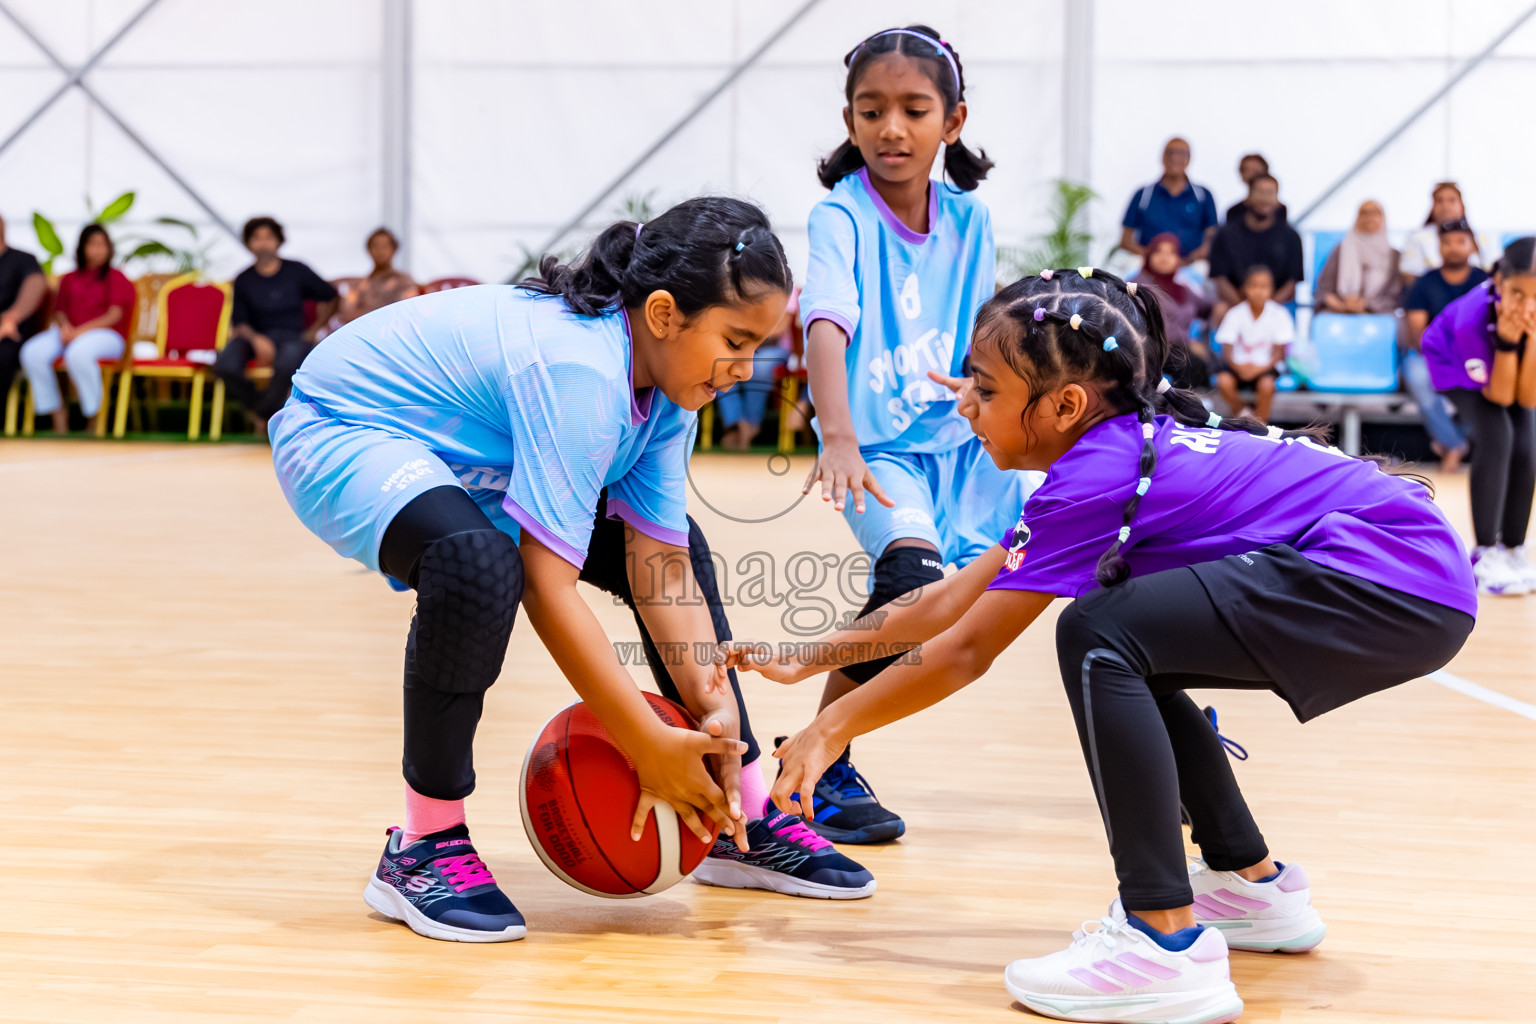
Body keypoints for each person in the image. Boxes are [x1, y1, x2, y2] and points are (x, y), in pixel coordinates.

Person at [720, 266, 1475, 1023]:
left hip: (1383, 573)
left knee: (1096, 630)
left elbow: (964, 651)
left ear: (1064, 406)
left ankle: (1161, 942)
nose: (966, 406)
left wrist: (829, 729)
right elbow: (951, 601)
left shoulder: (1096, 476)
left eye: (985, 389)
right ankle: (1251, 883)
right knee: (1131, 638)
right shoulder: (1115, 457)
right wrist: (811, 657)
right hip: (1413, 575)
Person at [268, 197, 876, 942]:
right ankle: (422, 846)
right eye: (736, 340)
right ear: (662, 314)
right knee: (476, 563)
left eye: (759, 345)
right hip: (345, 427)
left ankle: (736, 811)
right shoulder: (580, 368)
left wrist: (713, 713)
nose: (746, 369)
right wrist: (645, 741)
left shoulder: (669, 389)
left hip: (469, 461)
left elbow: (660, 561)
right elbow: (545, 585)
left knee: (681, 541)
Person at [800, 24, 1040, 844]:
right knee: (910, 582)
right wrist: (837, 436)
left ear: (954, 121)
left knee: (1076, 573)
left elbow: (985, 326)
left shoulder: (971, 219)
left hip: (971, 450)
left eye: (912, 109)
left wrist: (989, 394)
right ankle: (819, 767)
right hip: (880, 453)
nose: (890, 128)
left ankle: (1178, 740)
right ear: (850, 119)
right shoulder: (840, 219)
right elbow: (825, 323)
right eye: (871, 111)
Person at [1421, 236, 1536, 596]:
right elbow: (1500, 397)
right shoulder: (1471, 320)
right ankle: (1484, 553)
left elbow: (1527, 396)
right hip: (1453, 362)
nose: (1527, 305)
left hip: (1509, 365)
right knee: (1497, 433)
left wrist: (1531, 341)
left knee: (1528, 444)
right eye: (1517, 293)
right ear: (1500, 281)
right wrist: (1505, 341)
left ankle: (1514, 549)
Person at [213, 216, 338, 435]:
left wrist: (315, 329)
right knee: (224, 365)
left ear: (278, 241)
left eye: (268, 238)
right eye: (257, 238)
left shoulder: (297, 270)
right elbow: (239, 322)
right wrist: (256, 340)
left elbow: (331, 296)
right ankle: (265, 409)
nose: (263, 244)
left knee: (287, 365)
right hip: (254, 337)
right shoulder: (244, 279)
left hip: (293, 336)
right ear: (249, 243)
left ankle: (262, 413)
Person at [18, 224, 135, 435]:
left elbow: (114, 315)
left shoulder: (116, 277)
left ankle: (94, 416)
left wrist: (80, 332)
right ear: (82, 247)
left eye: (103, 244)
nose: (98, 250)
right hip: (69, 333)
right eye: (93, 244)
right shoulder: (69, 278)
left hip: (107, 336)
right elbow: (59, 311)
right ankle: (57, 415)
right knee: (32, 352)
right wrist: (65, 328)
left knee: (78, 353)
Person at [1404, 218, 1488, 471]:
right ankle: (1453, 443)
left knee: (1494, 383)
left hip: (1477, 355)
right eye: (1447, 242)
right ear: (1439, 248)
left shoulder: (1486, 281)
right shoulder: (1424, 282)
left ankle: (1454, 441)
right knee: (1415, 374)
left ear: (1472, 246)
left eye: (1460, 242)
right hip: (1433, 354)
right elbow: (1418, 333)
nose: (1453, 247)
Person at [1208, 173, 1304, 328]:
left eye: (1270, 193)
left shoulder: (1291, 237)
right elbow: (1220, 280)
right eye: (1260, 193)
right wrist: (1244, 310)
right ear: (1248, 197)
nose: (1265, 199)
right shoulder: (1225, 234)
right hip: (1234, 305)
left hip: (1275, 306)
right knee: (1220, 310)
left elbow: (1291, 285)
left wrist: (1263, 310)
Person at [715, 290, 795, 450]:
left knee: (760, 367)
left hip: (776, 348)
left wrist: (749, 332)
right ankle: (736, 423)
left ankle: (751, 423)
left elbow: (781, 327)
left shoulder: (788, 288)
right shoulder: (741, 284)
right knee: (722, 368)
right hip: (747, 345)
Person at [1131, 233, 1211, 390]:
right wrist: (1188, 343)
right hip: (1151, 349)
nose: (1164, 257)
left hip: (1179, 349)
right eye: (1159, 252)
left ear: (1178, 259)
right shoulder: (1137, 285)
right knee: (1191, 365)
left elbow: (1208, 308)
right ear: (1149, 255)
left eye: (1171, 253)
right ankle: (1184, 409)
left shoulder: (1182, 289)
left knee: (1208, 363)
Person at [1215, 266, 1293, 423]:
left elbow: (1279, 353)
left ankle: (1261, 423)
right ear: (1245, 288)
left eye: (1264, 286)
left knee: (1266, 386)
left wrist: (1259, 368)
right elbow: (1227, 348)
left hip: (1265, 368)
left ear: (1271, 289)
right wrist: (1238, 366)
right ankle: (1243, 413)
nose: (1258, 291)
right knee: (1223, 381)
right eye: (1254, 285)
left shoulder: (1279, 314)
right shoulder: (1235, 313)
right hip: (1238, 367)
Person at [1119, 138, 1218, 263]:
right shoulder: (1144, 195)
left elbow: (1211, 237)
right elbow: (1126, 239)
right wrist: (1154, 260)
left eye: (1181, 153)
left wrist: (1189, 259)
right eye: (1170, 152)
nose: (1175, 158)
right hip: (1148, 265)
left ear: (1189, 159)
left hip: (1189, 266)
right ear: (1162, 157)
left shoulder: (1202, 195)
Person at [1399, 181, 1501, 285]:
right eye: (1439, 201)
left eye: (1452, 200)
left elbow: (1497, 273)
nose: (1445, 206)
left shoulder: (1483, 238)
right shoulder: (1417, 238)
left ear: (1462, 205)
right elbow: (1409, 277)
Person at [1315, 200, 1400, 315]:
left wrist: (1366, 305)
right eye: (1364, 213)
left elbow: (1396, 296)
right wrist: (1341, 305)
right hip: (1339, 312)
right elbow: (1323, 289)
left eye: (1374, 213)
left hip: (1379, 315)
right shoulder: (1341, 249)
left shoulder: (1394, 256)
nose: (1369, 218)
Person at [0, 212, 49, 406]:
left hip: (14, 332)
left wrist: (12, 318)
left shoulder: (24, 259)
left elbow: (35, 286)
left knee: (3, 354)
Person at [337, 227, 418, 325]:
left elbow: (404, 312)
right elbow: (346, 314)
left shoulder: (404, 280)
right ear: (369, 250)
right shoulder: (360, 284)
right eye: (375, 246)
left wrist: (364, 313)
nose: (380, 251)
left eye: (384, 246)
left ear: (393, 250)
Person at [1222, 153, 1286, 223]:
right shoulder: (1234, 211)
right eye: (1246, 170)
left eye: (1255, 171)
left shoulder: (1279, 210)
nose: (1251, 174)